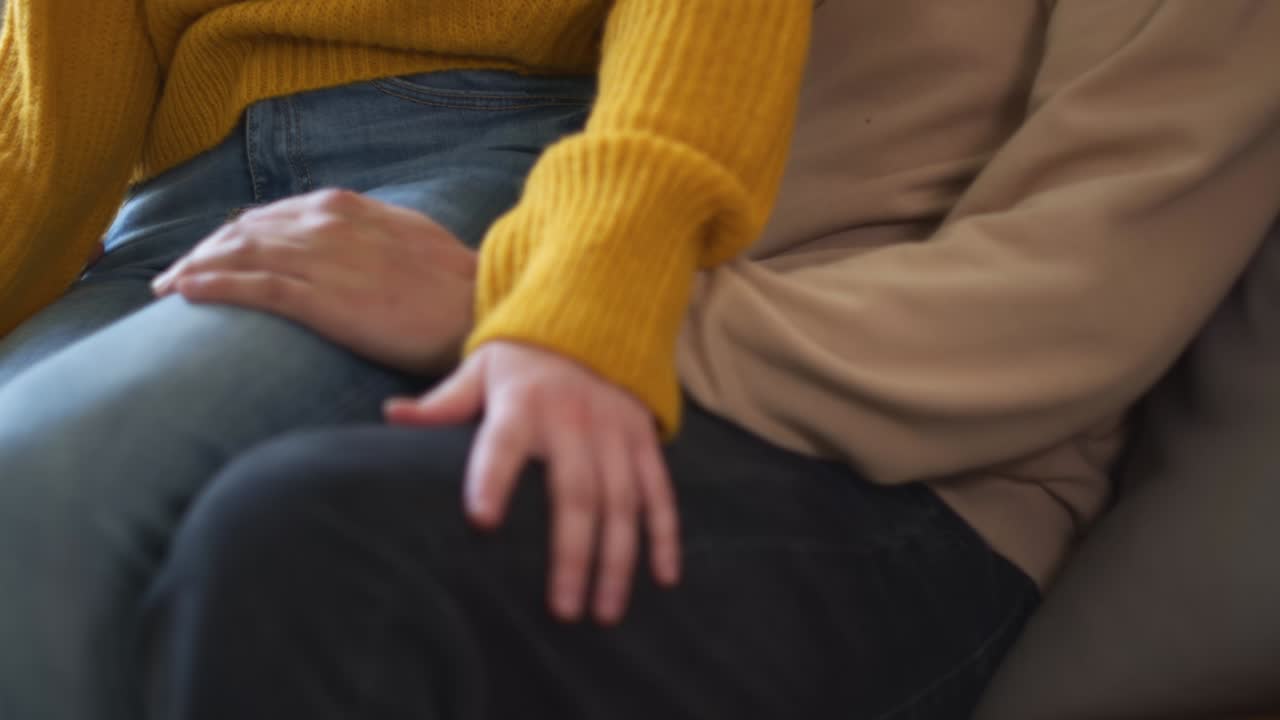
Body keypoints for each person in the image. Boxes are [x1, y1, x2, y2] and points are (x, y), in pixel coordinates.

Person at [137, 1, 1280, 719]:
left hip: (923, 492)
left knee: (329, 548)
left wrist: (532, 307)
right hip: (614, 357)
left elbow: (1062, 308)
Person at [0, 2, 813, 719]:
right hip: (164, 214)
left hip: (487, 152)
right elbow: (43, 141)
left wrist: (593, 284)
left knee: (34, 489)